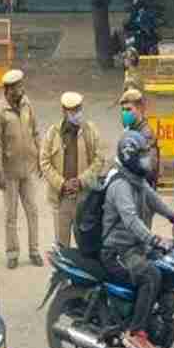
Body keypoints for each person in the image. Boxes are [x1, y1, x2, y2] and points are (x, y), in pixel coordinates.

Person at [101, 131, 174, 348]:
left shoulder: (136, 180)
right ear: (130, 157)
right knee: (151, 274)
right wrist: (155, 239)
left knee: (167, 265)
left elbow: (153, 199)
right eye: (143, 156)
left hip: (134, 247)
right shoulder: (120, 185)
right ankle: (135, 332)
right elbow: (131, 221)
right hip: (118, 251)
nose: (148, 160)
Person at [0, 69, 43, 270]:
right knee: (11, 215)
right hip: (10, 172)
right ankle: (12, 253)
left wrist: (40, 158)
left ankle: (34, 250)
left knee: (33, 211)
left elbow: (35, 131)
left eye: (22, 85)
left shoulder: (27, 104)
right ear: (8, 89)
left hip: (28, 169)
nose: (21, 89)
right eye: (17, 87)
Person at [40, 92, 104, 247]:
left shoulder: (90, 131)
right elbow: (44, 161)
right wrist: (62, 183)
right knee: (62, 244)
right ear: (64, 111)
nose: (77, 114)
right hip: (62, 198)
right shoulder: (53, 133)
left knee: (85, 242)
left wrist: (81, 181)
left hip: (84, 197)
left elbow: (99, 160)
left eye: (79, 109)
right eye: (73, 110)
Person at [119, 88, 159, 191]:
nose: (124, 113)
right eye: (123, 110)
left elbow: (149, 170)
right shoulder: (130, 131)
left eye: (128, 109)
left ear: (140, 109)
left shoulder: (145, 134)